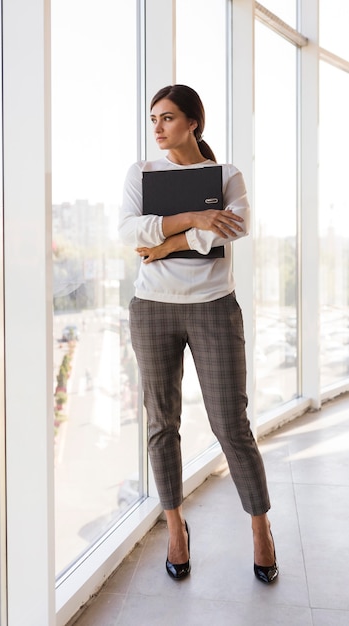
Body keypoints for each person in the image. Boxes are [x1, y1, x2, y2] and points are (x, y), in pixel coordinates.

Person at [119, 84, 278, 584]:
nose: (158, 128)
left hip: (213, 308)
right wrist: (191, 219)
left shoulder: (226, 174)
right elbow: (128, 233)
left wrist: (167, 244)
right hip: (153, 309)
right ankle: (174, 527)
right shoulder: (141, 174)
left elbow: (235, 226)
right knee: (161, 423)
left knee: (232, 424)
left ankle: (260, 527)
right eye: (153, 120)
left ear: (193, 122)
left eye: (167, 118)